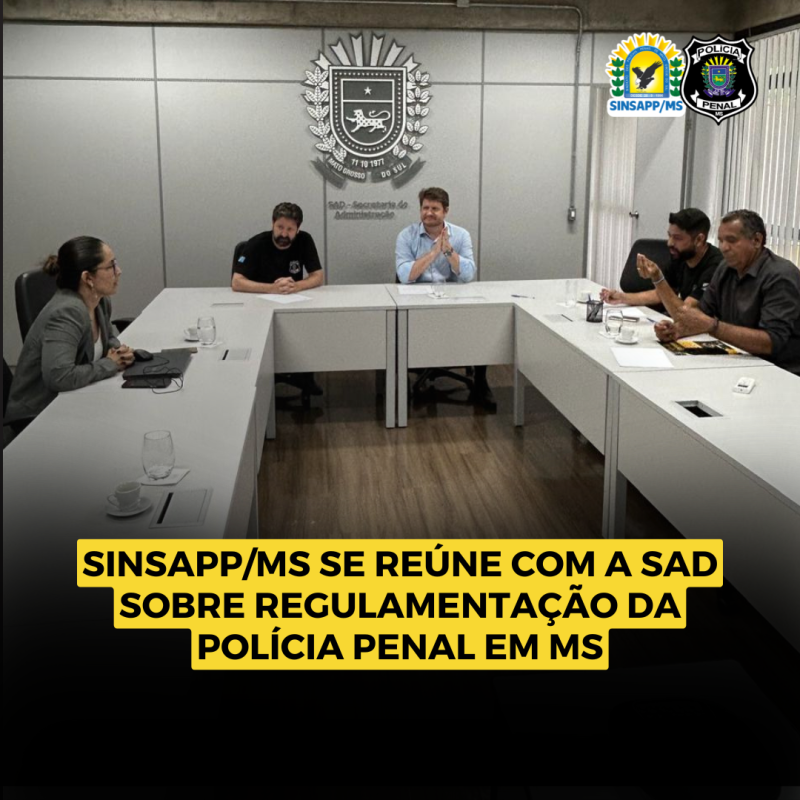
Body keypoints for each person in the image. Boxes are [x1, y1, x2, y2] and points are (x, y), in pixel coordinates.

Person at [655, 209, 800, 375]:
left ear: (757, 240)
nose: (723, 248)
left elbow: (772, 342)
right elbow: (701, 315)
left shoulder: (780, 276)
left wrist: (713, 326)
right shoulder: (725, 268)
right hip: (737, 359)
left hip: (780, 371)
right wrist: (677, 330)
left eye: (731, 240)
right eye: (721, 240)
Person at [6, 236, 135, 421]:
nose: (119, 271)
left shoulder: (99, 301)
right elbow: (59, 376)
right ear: (87, 278)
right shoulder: (67, 313)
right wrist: (110, 364)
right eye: (111, 266)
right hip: (39, 413)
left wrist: (118, 351)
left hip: (75, 398)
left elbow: (106, 339)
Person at [395, 187, 495, 409]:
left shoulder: (461, 235)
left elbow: (468, 275)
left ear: (446, 211)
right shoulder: (406, 236)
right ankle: (399, 381)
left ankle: (481, 381)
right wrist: (433, 253)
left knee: (483, 321)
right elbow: (404, 276)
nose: (429, 213)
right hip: (417, 304)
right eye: (425, 208)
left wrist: (448, 250)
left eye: (435, 208)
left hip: (453, 302)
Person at [233, 201, 324, 396]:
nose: (284, 234)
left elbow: (318, 276)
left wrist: (297, 286)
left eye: (290, 229)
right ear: (272, 224)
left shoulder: (305, 240)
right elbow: (237, 282)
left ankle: (303, 376)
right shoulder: (256, 244)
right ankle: (259, 379)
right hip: (257, 306)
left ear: (298, 229)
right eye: (280, 227)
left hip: (292, 305)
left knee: (308, 329)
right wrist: (271, 289)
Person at [600, 208, 723, 318]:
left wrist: (658, 278)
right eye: (669, 236)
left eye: (677, 238)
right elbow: (662, 294)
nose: (670, 243)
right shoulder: (680, 257)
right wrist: (621, 297)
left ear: (699, 240)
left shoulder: (716, 266)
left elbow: (685, 311)